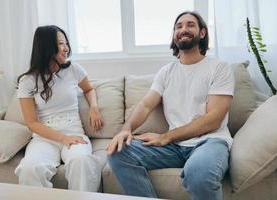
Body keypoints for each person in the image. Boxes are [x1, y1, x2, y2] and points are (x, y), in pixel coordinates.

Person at [107, 11, 234, 200]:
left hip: (209, 141)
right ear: (174, 35)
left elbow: (213, 120)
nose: (183, 29)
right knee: (117, 152)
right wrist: (126, 129)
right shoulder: (166, 72)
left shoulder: (219, 68)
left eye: (190, 25)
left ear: (202, 33)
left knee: (198, 174)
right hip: (174, 147)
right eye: (178, 26)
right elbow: (146, 105)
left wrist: (166, 137)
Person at [15, 25, 104, 192]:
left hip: (74, 132)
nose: (66, 48)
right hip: (44, 138)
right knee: (29, 168)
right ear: (47, 47)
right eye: (61, 44)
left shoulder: (74, 69)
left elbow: (89, 89)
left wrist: (94, 107)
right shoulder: (27, 81)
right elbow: (32, 123)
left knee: (82, 161)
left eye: (66, 43)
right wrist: (62, 138)